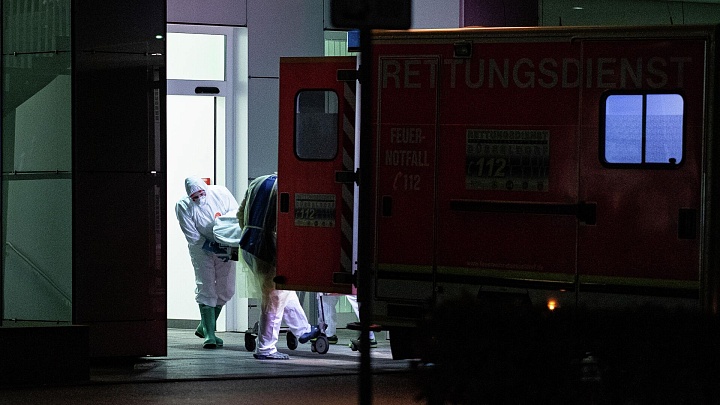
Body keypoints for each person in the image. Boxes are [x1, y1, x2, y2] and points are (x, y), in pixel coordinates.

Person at [237, 173, 321, 360]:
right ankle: (266, 348)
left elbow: (240, 214)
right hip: (268, 247)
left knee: (283, 289)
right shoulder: (288, 188)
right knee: (274, 298)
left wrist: (249, 233)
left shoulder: (257, 182)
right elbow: (291, 222)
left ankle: (303, 329)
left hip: (249, 243)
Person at [175, 176, 239, 349]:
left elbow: (235, 218)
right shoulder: (183, 206)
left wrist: (230, 244)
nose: (199, 198)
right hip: (201, 249)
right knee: (206, 286)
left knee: (227, 289)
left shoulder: (221, 193)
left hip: (226, 242)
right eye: (195, 197)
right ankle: (210, 334)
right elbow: (193, 236)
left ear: (206, 189)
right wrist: (212, 246)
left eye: (201, 194)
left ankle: (204, 326)